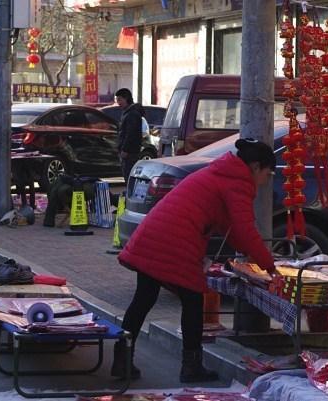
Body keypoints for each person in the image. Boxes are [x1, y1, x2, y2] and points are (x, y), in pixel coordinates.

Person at [110, 138, 277, 382]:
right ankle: (191, 367)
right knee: (192, 300)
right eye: (267, 173)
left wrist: (255, 257)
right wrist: (270, 267)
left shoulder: (222, 173)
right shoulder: (237, 182)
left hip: (154, 235)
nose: (266, 180)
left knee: (143, 299)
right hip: (173, 241)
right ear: (255, 167)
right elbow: (245, 230)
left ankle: (121, 360)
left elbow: (230, 226)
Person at [115, 88, 143, 184]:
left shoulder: (132, 114)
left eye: (119, 100)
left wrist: (125, 150)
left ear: (126, 98)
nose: (118, 103)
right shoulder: (127, 113)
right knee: (128, 177)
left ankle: (129, 197)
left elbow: (131, 134)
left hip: (130, 153)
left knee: (129, 177)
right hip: (128, 151)